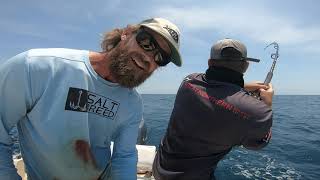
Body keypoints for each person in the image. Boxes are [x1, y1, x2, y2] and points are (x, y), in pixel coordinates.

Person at [0, 17, 182, 180]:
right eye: (146, 43)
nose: (149, 57)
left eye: (161, 58)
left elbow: (124, 156)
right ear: (127, 33)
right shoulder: (35, 66)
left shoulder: (132, 103)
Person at [153, 38, 274, 180]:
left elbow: (215, 87)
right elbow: (257, 143)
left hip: (159, 169)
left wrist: (242, 87)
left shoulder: (188, 82)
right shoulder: (257, 112)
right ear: (246, 66)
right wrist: (266, 103)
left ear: (210, 62)